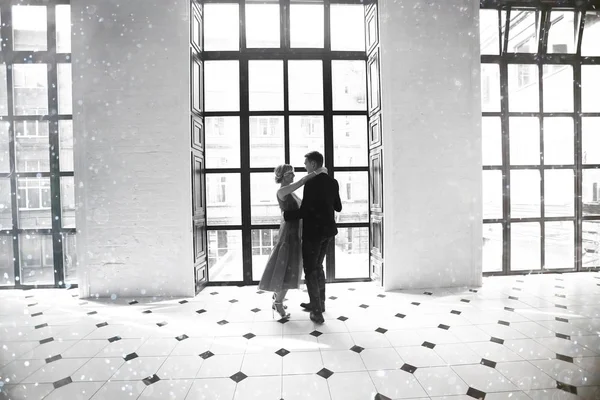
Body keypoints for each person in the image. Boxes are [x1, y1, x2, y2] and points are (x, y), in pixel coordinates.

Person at [258, 163, 327, 319]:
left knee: (290, 267)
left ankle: (278, 298)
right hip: (289, 233)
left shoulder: (291, 193)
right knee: (287, 267)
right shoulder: (282, 191)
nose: (293, 176)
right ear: (282, 176)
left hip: (296, 232)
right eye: (290, 174)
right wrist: (317, 172)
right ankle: (278, 303)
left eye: (293, 174)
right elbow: (301, 182)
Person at [284, 151, 342, 324]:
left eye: (306, 163)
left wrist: (286, 215)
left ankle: (316, 312)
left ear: (314, 164)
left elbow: (304, 211)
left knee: (310, 270)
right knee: (318, 266)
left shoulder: (311, 183)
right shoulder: (333, 182)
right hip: (328, 232)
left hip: (313, 233)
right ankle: (319, 303)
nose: (305, 166)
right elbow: (338, 207)